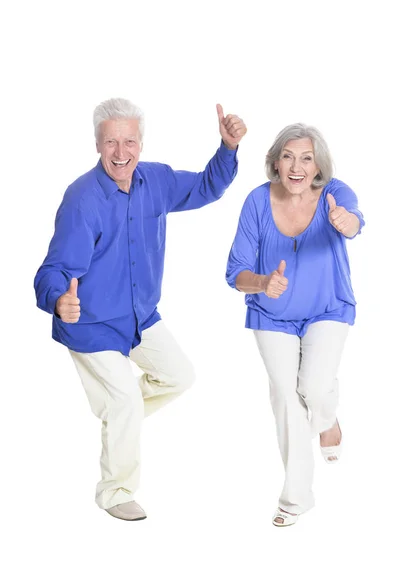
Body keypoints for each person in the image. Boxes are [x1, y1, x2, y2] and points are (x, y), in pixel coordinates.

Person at [34, 98, 247, 521]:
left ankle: (120, 417)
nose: (120, 152)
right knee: (126, 400)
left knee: (180, 377)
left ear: (141, 144)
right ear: (97, 144)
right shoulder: (82, 199)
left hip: (139, 314)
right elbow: (53, 268)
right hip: (90, 322)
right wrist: (59, 299)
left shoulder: (157, 180)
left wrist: (227, 149)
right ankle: (115, 492)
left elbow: (206, 186)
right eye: (111, 142)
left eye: (129, 141)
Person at [226, 123, 364, 527]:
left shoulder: (336, 194)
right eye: (288, 156)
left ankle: (327, 419)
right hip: (271, 314)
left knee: (314, 387)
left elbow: (356, 222)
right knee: (286, 397)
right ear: (274, 162)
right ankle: (297, 495)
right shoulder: (256, 201)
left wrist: (344, 222)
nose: (297, 166)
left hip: (328, 307)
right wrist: (263, 283)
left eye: (306, 157)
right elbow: (235, 272)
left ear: (318, 163)